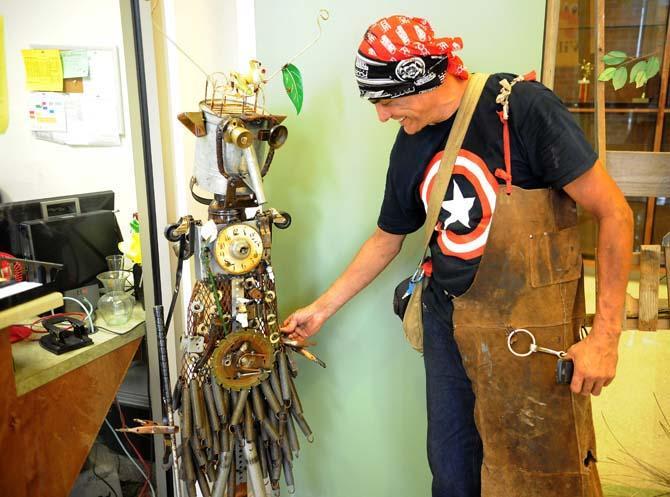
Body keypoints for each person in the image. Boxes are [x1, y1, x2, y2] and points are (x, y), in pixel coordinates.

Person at [280, 15, 633, 497]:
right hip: (448, 324)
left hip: (529, 331)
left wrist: (606, 338)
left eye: (386, 101)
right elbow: (388, 238)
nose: (382, 116)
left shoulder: (520, 108)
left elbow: (614, 214)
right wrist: (320, 310)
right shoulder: (410, 144)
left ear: (421, 78)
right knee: (453, 472)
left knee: (543, 474)